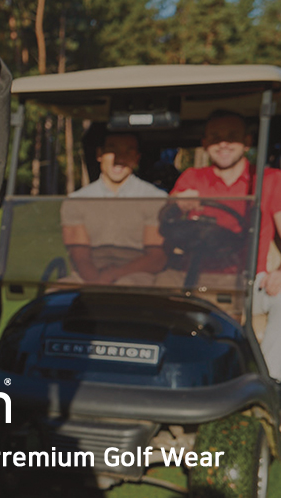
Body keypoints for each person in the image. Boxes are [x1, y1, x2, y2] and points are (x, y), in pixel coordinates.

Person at [170, 111, 281, 376]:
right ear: (205, 143)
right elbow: (166, 218)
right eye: (215, 137)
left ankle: (269, 381)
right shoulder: (192, 178)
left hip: (250, 283)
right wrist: (177, 205)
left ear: (247, 141)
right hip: (196, 281)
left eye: (232, 136)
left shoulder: (270, 179)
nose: (223, 143)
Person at [60, 132, 167, 285]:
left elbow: (156, 258)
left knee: (125, 288)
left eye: (128, 152)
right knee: (54, 295)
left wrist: (112, 275)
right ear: (99, 154)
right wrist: (95, 281)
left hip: (138, 274)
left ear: (136, 158)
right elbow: (80, 256)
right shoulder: (76, 200)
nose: (120, 159)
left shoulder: (155, 199)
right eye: (112, 150)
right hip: (88, 276)